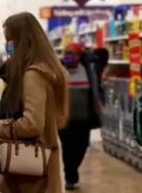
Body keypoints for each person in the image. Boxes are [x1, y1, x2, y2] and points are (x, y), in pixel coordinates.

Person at [0, 12, 68, 193]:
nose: (7, 45)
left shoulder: (33, 74)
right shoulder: (35, 71)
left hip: (32, 176)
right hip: (29, 170)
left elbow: (32, 124)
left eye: (9, 40)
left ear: (22, 40)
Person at [59, 42, 103, 190]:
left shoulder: (87, 69)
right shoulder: (59, 70)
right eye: (67, 55)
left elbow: (103, 55)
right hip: (65, 119)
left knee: (81, 148)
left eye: (73, 55)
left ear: (79, 56)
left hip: (84, 118)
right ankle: (70, 177)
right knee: (67, 148)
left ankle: (73, 169)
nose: (69, 58)